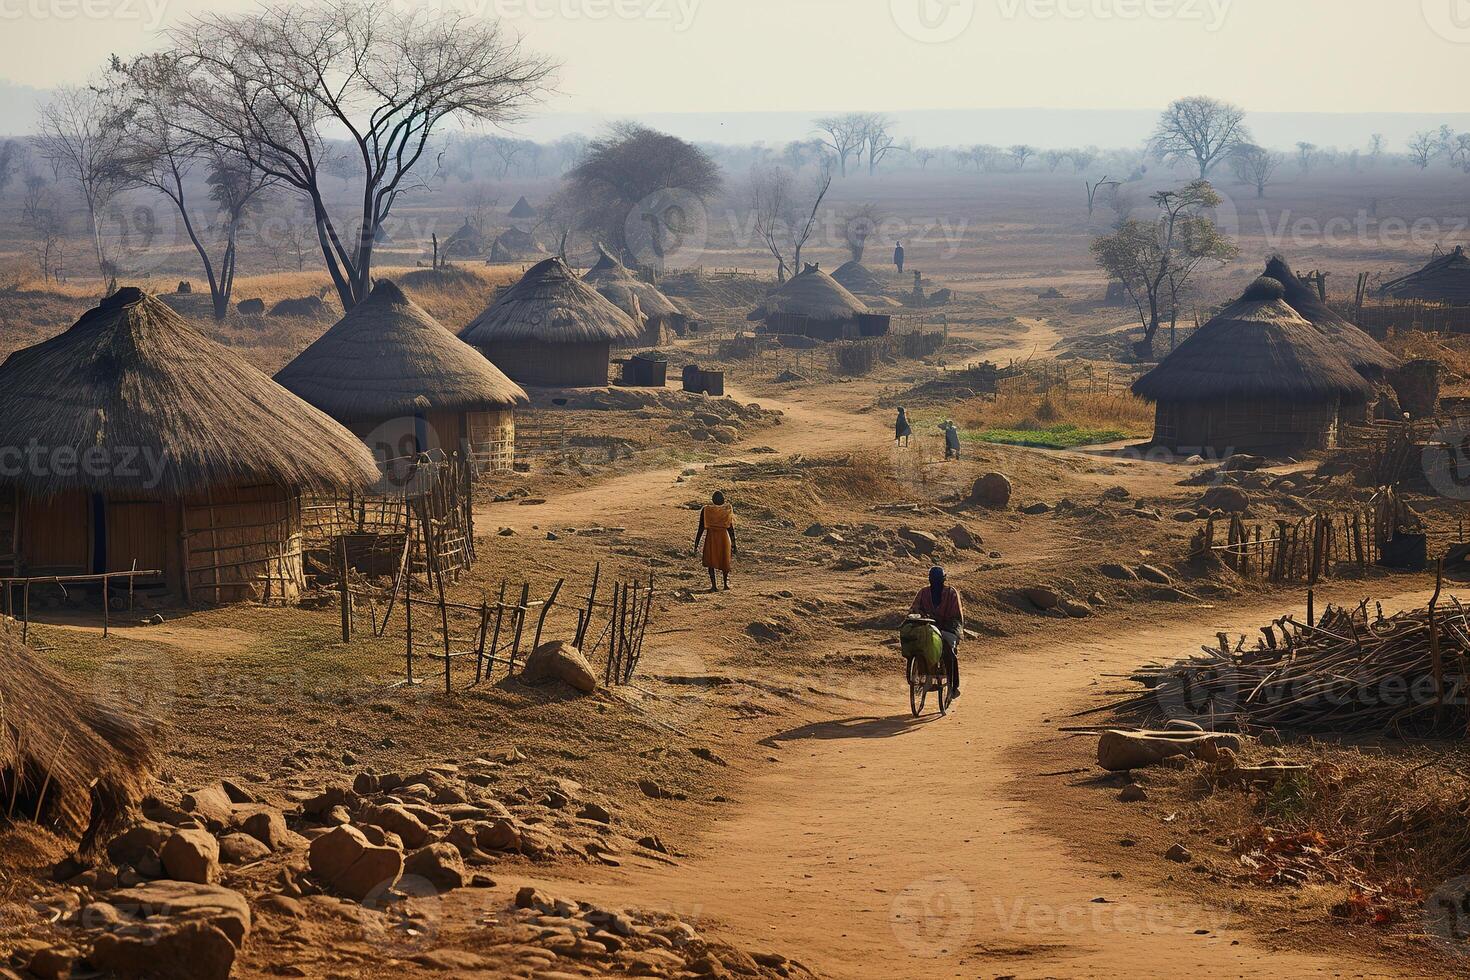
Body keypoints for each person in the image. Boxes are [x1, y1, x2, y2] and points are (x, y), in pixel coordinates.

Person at [910, 566, 963, 699]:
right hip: (928, 628)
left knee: (948, 651)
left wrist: (943, 626)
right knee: (919, 646)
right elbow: (915, 608)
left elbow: (955, 616)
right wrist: (918, 615)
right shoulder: (923, 593)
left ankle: (953, 686)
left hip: (948, 628)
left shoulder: (951, 593)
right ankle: (922, 674)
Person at [694, 491, 737, 592]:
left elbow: (700, 528)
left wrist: (696, 544)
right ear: (723, 500)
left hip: (711, 537)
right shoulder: (727, 510)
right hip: (724, 537)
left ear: (712, 500)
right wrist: (734, 544)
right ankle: (725, 584)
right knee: (725, 560)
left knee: (710, 561)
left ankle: (714, 586)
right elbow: (731, 528)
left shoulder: (706, 510)